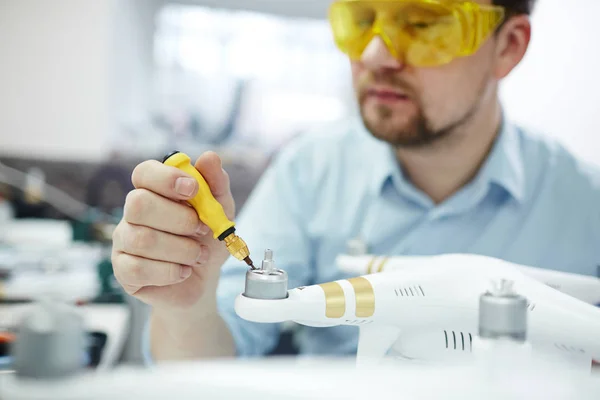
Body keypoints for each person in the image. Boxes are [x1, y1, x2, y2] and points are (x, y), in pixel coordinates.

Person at [111, 0, 600, 361]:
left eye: (425, 23)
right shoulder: (310, 170)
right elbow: (211, 364)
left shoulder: (587, 208)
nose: (375, 54)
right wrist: (186, 306)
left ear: (508, 46)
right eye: (362, 20)